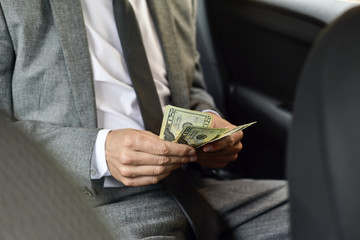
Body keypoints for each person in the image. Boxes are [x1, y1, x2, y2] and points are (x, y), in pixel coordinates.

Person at [0, 0, 289, 239]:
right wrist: (99, 151)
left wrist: (209, 123)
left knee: (325, 204)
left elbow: (191, 87)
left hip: (192, 187)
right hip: (88, 206)